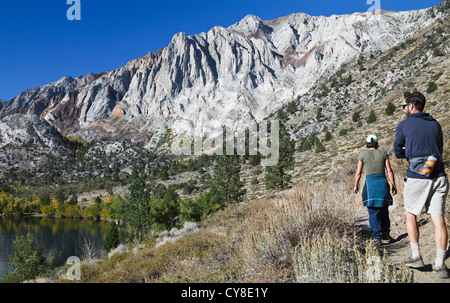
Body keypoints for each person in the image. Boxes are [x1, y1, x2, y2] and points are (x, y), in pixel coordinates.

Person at [394, 92, 449, 279]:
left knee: (411, 214)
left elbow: (397, 152)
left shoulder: (404, 125)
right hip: (439, 174)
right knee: (438, 218)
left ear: (411, 106)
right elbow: (439, 148)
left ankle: (416, 256)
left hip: (417, 176)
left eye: (403, 106)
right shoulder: (435, 123)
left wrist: (408, 150)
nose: (402, 110)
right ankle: (440, 264)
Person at [354, 134, 397, 246]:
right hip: (382, 182)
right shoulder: (383, 153)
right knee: (384, 210)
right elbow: (389, 170)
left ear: (367, 143)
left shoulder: (363, 154)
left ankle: (377, 236)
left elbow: (358, 173)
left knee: (373, 211)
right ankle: (386, 233)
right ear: (377, 143)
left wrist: (356, 185)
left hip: (370, 184)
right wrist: (393, 184)